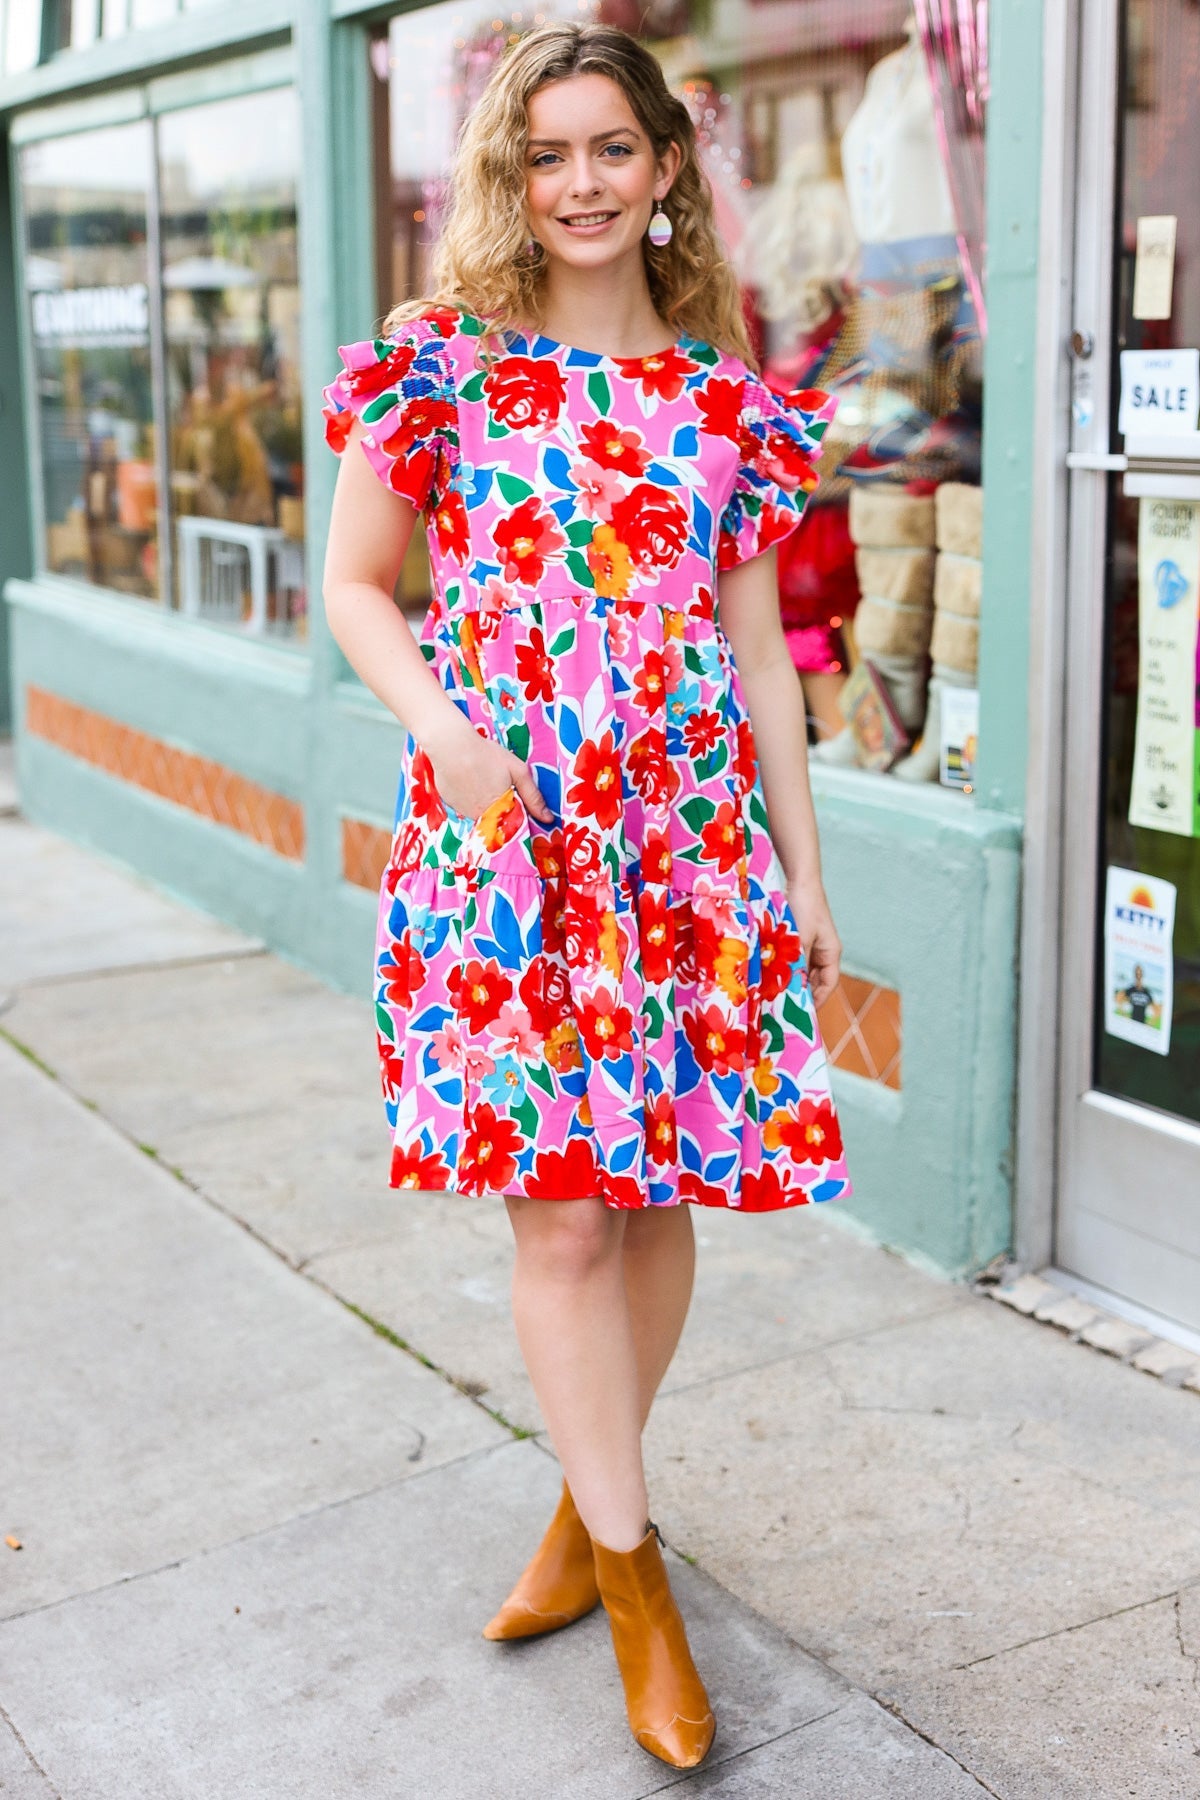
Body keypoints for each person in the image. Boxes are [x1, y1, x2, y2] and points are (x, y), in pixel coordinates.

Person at [321, 22, 851, 1771]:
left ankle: (579, 1502)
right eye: (545, 157)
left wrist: (803, 865)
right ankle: (636, 1584)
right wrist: (449, 736)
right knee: (558, 1213)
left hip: (685, 842)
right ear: (506, 176)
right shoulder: (441, 370)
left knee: (657, 1188)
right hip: (513, 839)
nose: (580, 186)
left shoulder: (727, 401)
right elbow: (353, 589)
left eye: (611, 149)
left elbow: (763, 657)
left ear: (670, 163)